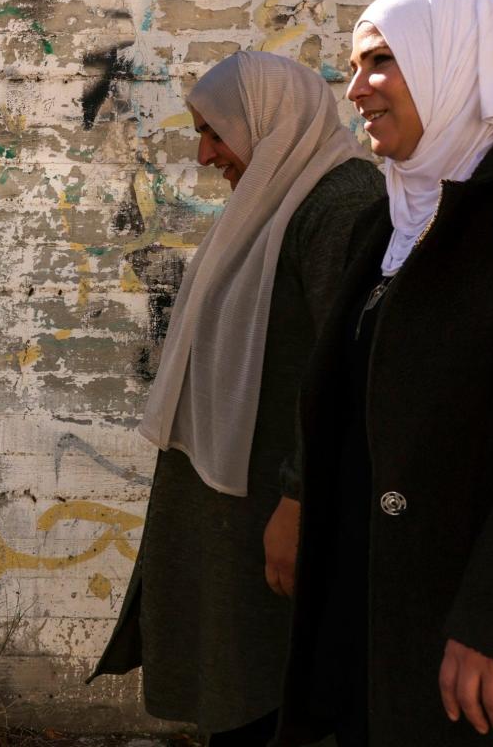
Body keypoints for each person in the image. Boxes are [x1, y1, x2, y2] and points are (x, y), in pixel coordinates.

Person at [274, 0, 493, 746]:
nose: (355, 89)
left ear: (453, 59)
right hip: (375, 609)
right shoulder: (386, 220)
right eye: (352, 67)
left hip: (486, 641)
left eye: (379, 62)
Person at [88, 51, 383, 746]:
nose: (204, 154)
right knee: (248, 700)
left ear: (267, 122)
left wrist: (298, 501)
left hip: (277, 516)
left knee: (275, 702)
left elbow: (347, 370)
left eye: (216, 132)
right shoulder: (271, 203)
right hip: (241, 515)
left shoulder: (340, 205)